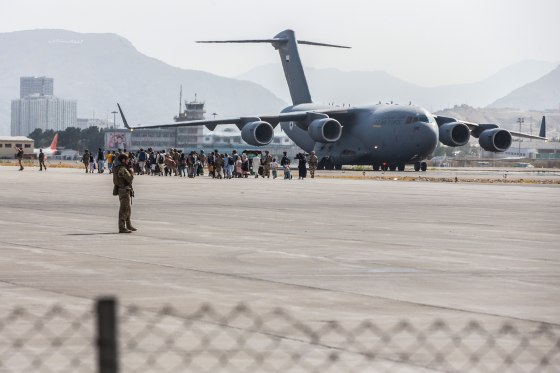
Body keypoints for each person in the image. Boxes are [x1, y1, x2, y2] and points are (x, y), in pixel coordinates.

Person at [113, 154, 136, 233]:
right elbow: (129, 179)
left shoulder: (117, 167)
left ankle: (128, 225)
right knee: (124, 209)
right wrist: (132, 172)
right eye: (127, 159)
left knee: (128, 209)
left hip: (122, 190)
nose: (128, 161)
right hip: (124, 191)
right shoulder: (122, 169)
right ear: (123, 160)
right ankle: (122, 227)